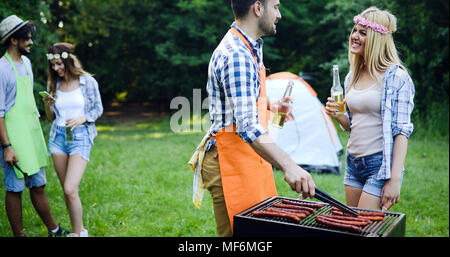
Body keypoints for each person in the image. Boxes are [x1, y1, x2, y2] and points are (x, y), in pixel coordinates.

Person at [189, 0, 315, 237]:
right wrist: (289, 166)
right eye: (275, 6)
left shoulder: (250, 46)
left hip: (249, 158)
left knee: (259, 231)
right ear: (258, 8)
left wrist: (272, 106)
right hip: (230, 162)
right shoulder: (237, 55)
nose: (279, 14)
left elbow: (241, 103)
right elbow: (248, 126)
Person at [325, 7, 414, 211]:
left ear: (376, 39)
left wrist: (394, 179)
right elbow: (354, 125)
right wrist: (339, 116)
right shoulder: (352, 76)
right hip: (353, 163)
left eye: (362, 33)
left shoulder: (397, 78)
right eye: (355, 30)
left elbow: (402, 131)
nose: (355, 36)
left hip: (379, 166)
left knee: (368, 228)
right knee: (353, 228)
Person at [0, 15, 71, 237]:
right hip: (13, 137)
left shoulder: (28, 64)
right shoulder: (1, 68)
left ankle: (54, 230)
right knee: (15, 188)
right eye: (27, 39)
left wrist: (45, 104)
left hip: (30, 133)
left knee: (38, 184)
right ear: (14, 40)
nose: (31, 42)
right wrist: (7, 146)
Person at [43, 42, 103, 237]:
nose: (56, 68)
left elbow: (98, 109)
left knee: (70, 188)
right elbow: (51, 117)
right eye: (53, 65)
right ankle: (80, 231)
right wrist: (47, 106)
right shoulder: (54, 84)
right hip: (58, 137)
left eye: (59, 64)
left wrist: (82, 118)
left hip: (80, 137)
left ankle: (77, 235)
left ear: (68, 61)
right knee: (67, 191)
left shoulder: (87, 82)